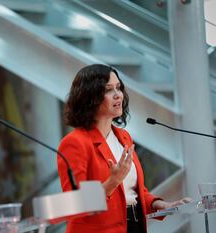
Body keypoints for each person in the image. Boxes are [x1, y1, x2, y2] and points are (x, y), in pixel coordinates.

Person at [57, 64, 190, 233]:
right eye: (108, 90)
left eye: (118, 88)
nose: (117, 95)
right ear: (90, 97)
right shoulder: (74, 143)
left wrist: (163, 205)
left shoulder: (123, 136)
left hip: (135, 226)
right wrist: (113, 181)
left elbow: (134, 192)